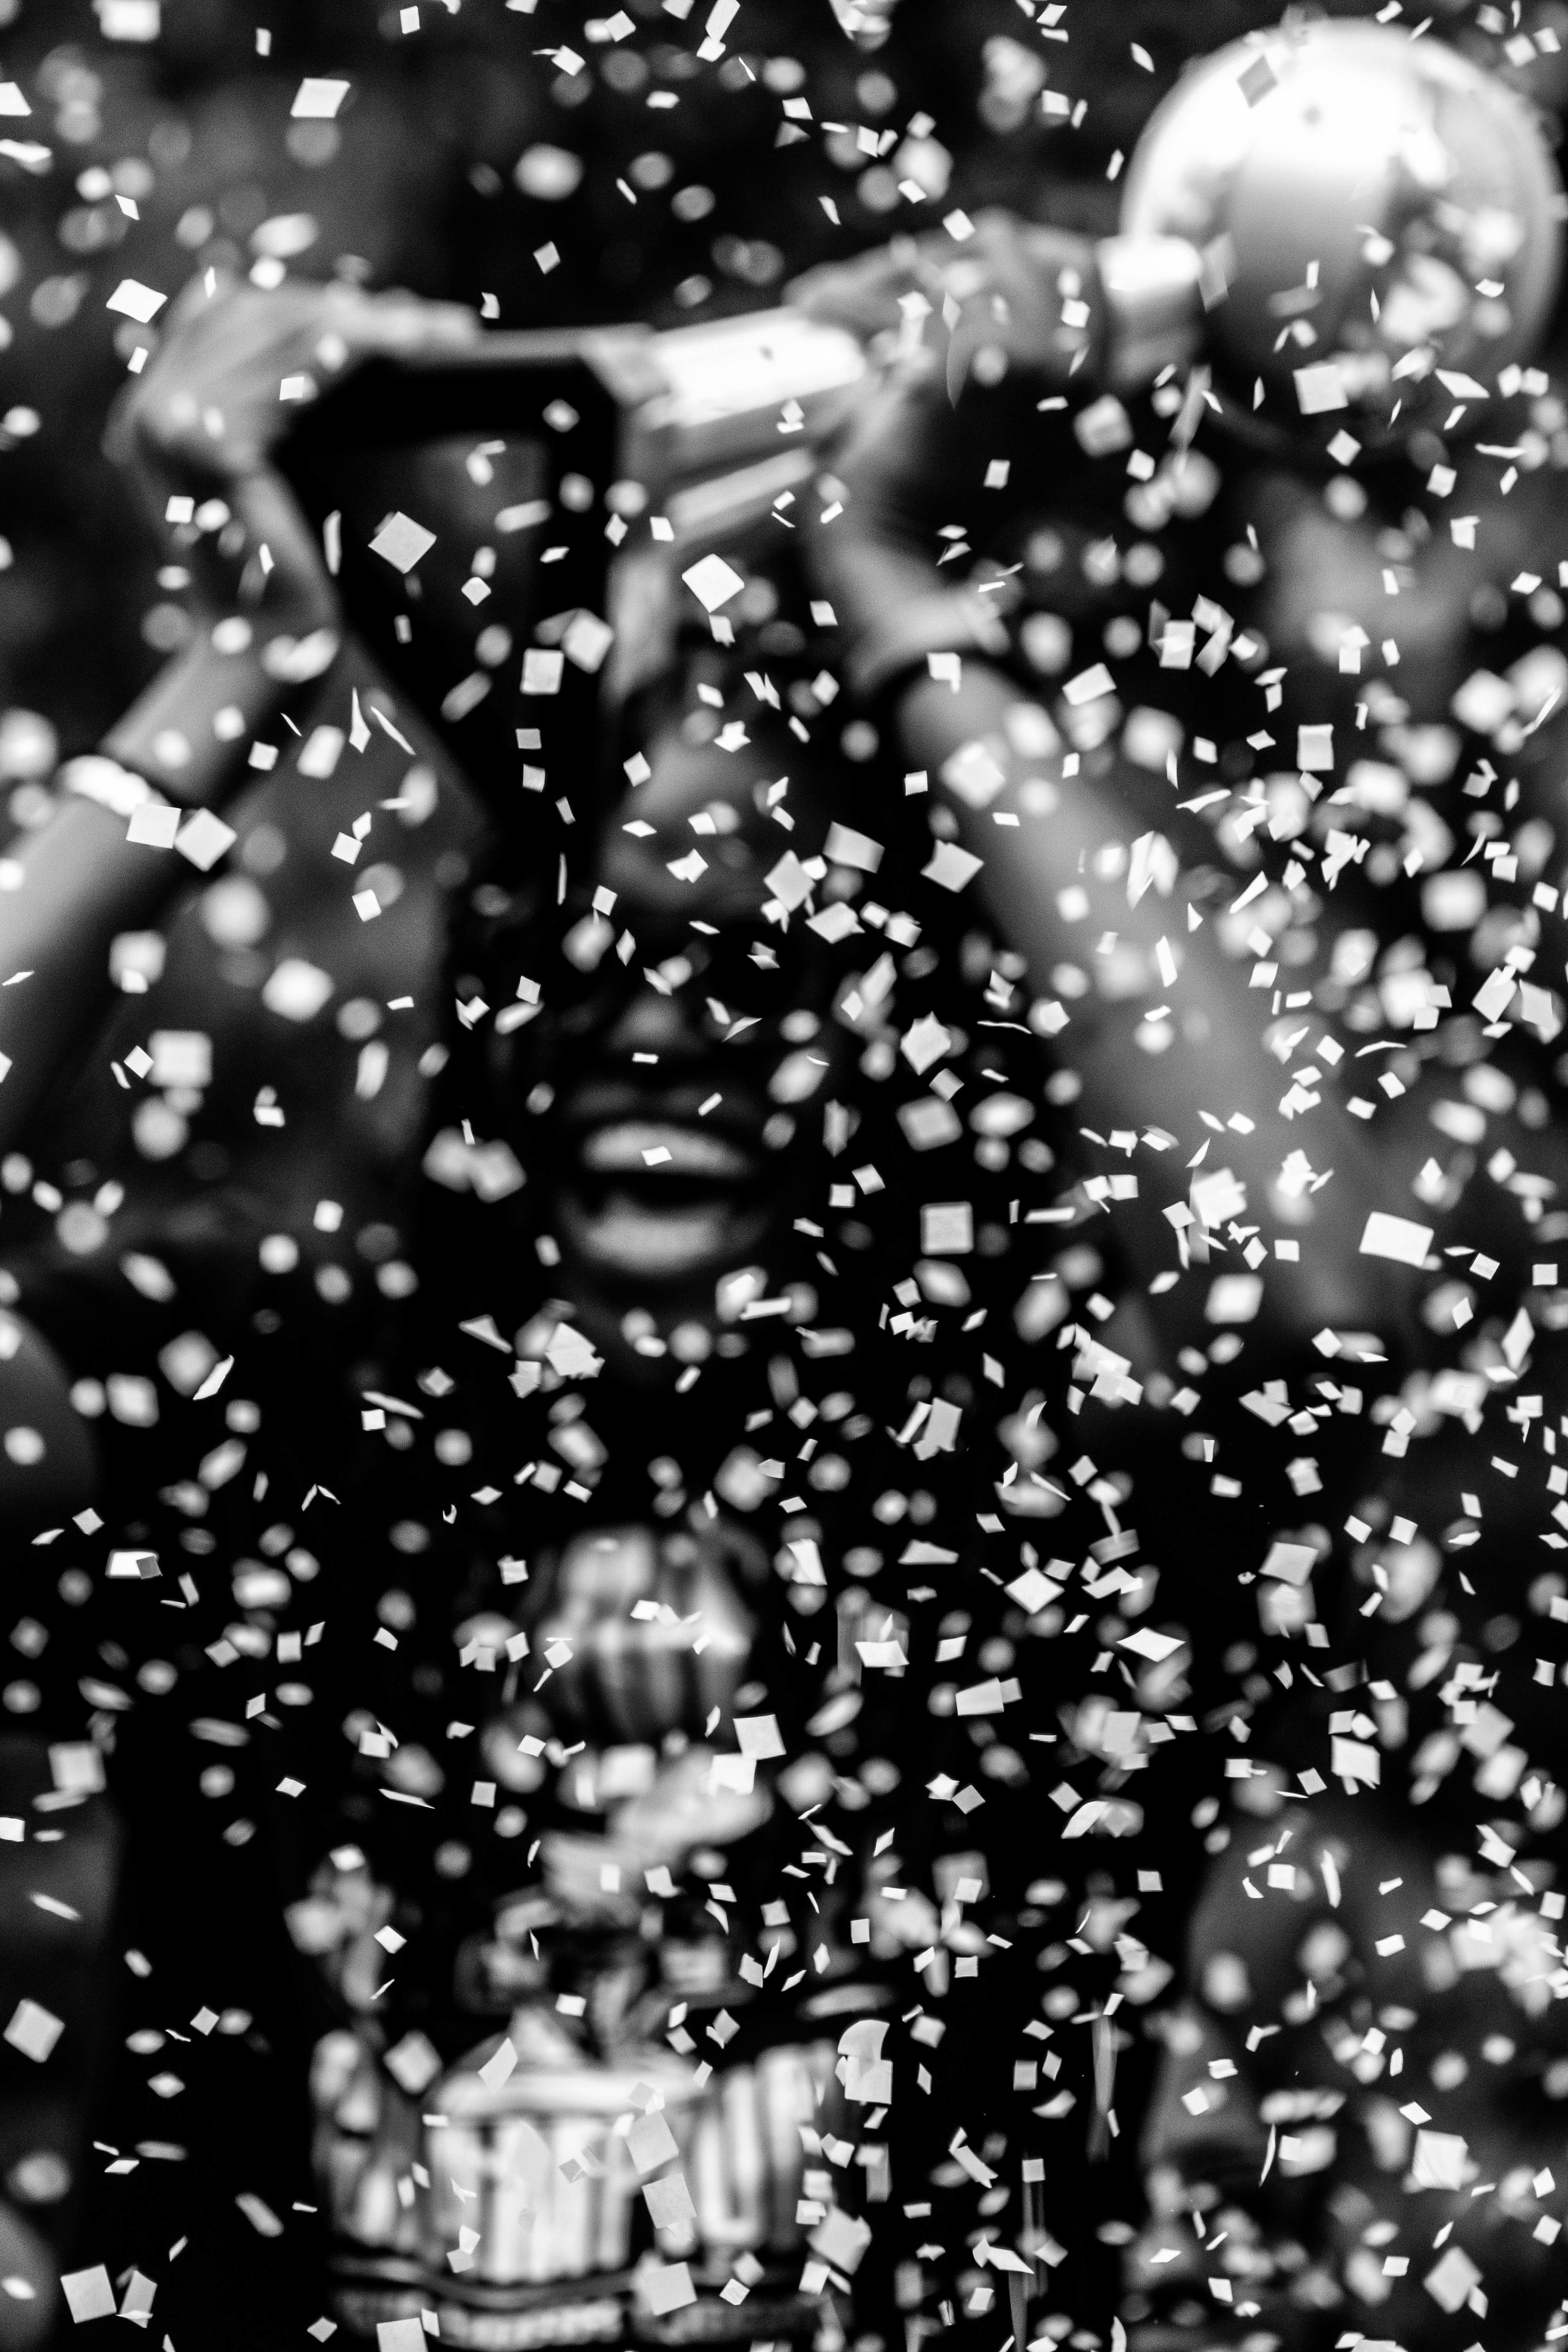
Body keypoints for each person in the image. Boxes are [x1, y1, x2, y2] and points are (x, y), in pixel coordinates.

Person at [0, 216, 1419, 2352]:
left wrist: (895, 597)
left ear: (914, 1005)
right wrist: (236, 649)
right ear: (488, 967)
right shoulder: (278, 1417)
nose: (667, 997)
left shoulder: (1012, 1485)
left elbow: (1299, 1275)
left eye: (761, 940)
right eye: (601, 926)